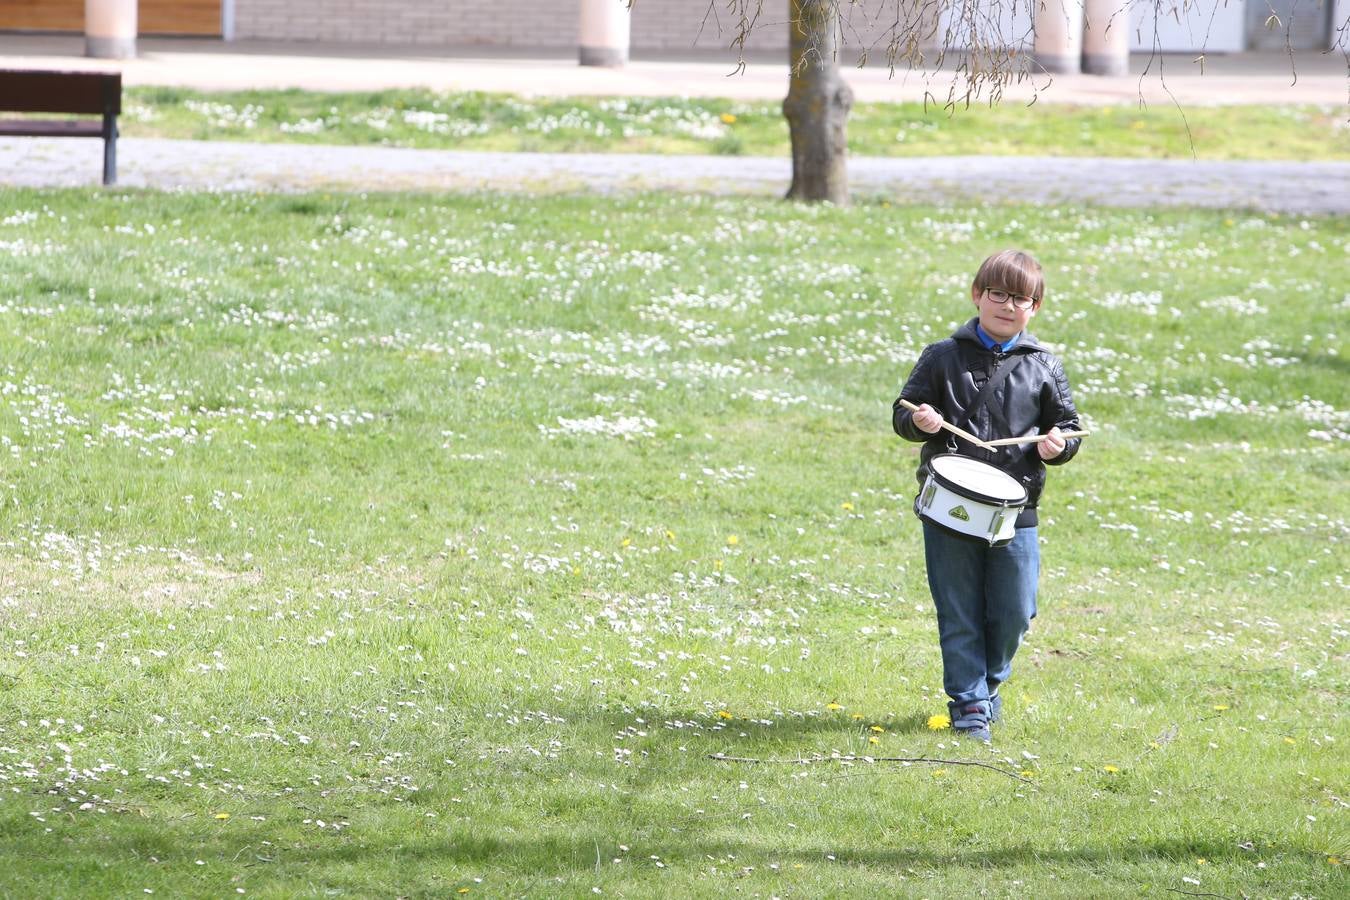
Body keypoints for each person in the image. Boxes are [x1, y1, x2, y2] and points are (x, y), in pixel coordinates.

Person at [892, 249, 1082, 742]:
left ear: (1035, 307)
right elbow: (903, 412)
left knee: (1016, 610)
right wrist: (917, 419)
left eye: (1020, 297)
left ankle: (989, 683)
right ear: (977, 296)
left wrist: (1059, 445)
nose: (1007, 304)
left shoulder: (1044, 366)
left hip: (1015, 510)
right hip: (951, 506)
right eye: (997, 294)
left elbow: (1068, 428)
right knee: (958, 608)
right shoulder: (941, 357)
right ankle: (970, 704)